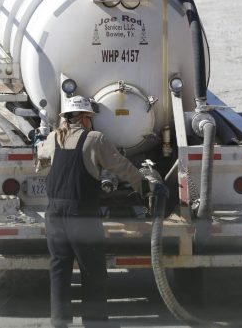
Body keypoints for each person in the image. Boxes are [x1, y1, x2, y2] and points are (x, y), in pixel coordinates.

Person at [36, 95, 163, 328]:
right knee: (93, 271)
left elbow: (41, 162)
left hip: (54, 215)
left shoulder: (53, 137)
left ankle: (60, 322)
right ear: (85, 118)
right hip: (81, 216)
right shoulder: (94, 139)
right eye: (90, 118)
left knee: (59, 270)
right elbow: (120, 166)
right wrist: (143, 185)